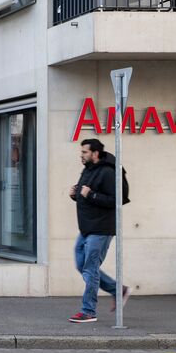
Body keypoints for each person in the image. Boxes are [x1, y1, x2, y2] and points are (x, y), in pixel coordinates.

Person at [68, 137, 128, 324]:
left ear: (95, 153)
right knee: (82, 265)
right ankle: (118, 290)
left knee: (90, 268)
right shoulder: (89, 170)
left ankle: (88, 311)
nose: (81, 155)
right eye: (81, 152)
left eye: (84, 152)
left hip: (101, 229)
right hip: (87, 228)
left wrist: (90, 194)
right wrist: (75, 195)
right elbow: (86, 196)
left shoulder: (108, 172)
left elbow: (115, 200)